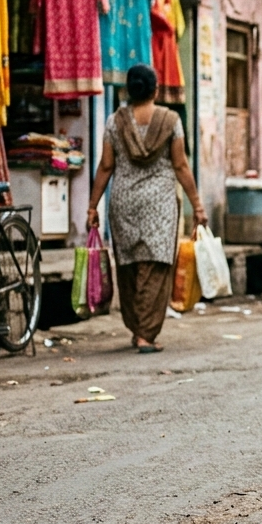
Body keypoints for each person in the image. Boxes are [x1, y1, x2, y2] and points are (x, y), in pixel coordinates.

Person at [87, 65, 207, 354]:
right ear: (156, 90)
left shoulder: (114, 122)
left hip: (124, 202)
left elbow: (106, 166)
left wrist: (92, 205)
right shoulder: (171, 120)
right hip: (159, 205)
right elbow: (180, 165)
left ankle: (136, 327)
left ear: (129, 90)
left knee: (128, 265)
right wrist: (197, 204)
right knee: (156, 265)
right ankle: (146, 334)